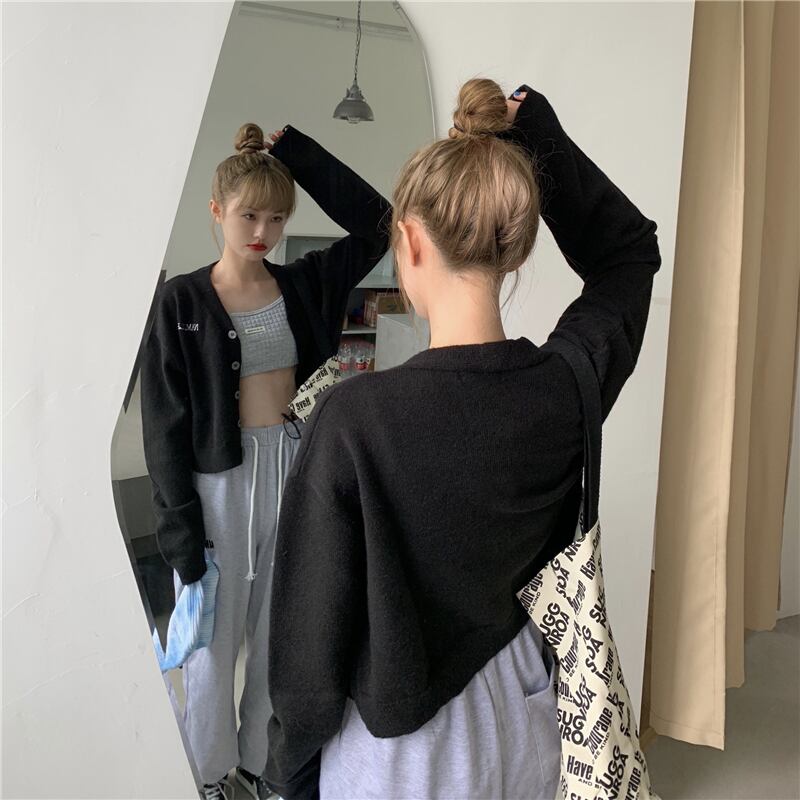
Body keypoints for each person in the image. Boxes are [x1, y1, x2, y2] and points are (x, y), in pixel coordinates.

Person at [262, 78, 662, 800]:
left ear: (411, 241)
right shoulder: (565, 386)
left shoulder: (353, 421)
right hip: (531, 721)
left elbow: (307, 664)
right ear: (512, 250)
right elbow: (628, 254)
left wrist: (287, 778)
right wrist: (533, 128)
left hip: (402, 758)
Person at [140, 121, 391, 800]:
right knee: (211, 641)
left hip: (296, 469)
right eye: (248, 215)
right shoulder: (182, 300)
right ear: (216, 209)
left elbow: (380, 223)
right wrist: (178, 528)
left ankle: (258, 765)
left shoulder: (303, 284)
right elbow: (164, 424)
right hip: (217, 482)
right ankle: (205, 774)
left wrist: (297, 154)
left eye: (277, 217)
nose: (263, 231)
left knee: (281, 630)